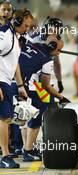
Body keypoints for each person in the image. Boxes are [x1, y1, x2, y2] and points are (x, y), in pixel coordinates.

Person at [19, 34, 70, 161]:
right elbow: (46, 85)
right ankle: (28, 150)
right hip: (24, 86)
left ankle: (26, 147)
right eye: (58, 50)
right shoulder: (47, 60)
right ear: (52, 46)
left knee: (21, 116)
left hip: (10, 80)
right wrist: (61, 97)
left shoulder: (33, 44)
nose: (59, 53)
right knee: (37, 113)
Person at [0, 8, 31, 168]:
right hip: (0, 81)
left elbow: (15, 63)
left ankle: (5, 154)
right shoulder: (4, 35)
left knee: (6, 119)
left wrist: (20, 85)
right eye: (25, 26)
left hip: (7, 81)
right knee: (4, 119)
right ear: (17, 22)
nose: (27, 29)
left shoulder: (15, 36)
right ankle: (5, 156)